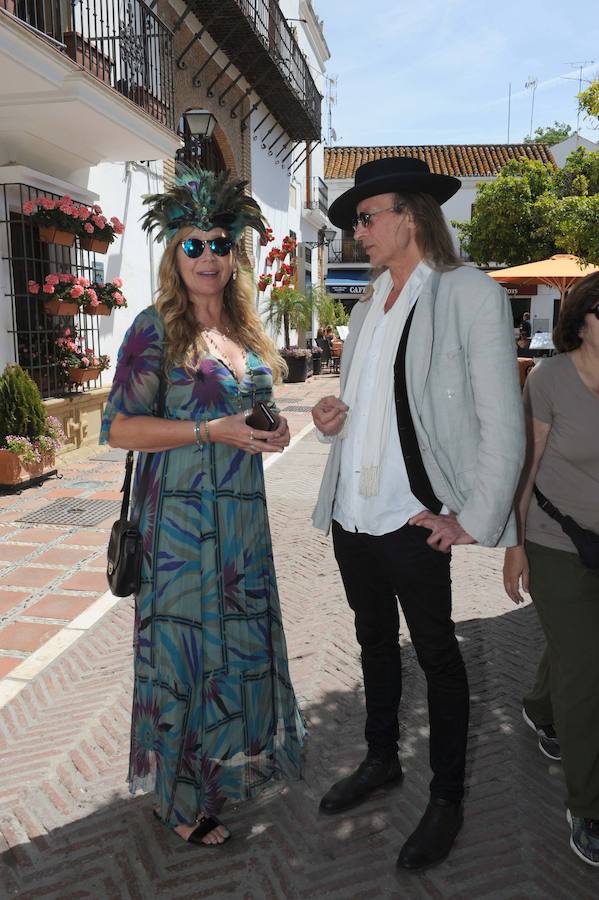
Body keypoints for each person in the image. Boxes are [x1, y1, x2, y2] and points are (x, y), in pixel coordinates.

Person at [311, 156, 524, 871]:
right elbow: (362, 407)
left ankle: (447, 798)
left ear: (410, 216)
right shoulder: (369, 302)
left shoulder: (467, 294)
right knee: (372, 641)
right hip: (353, 511)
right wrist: (329, 418)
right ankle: (380, 760)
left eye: (366, 218)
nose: (357, 232)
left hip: (413, 517)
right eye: (354, 222)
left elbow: (502, 421)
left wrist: (472, 516)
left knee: (437, 657)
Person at [101, 165, 305, 847]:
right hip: (181, 532)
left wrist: (273, 433)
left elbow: (255, 418)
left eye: (220, 243)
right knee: (185, 659)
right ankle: (179, 800)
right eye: (193, 244)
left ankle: (214, 774)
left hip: (241, 524)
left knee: (230, 655)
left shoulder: (245, 333)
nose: (209, 256)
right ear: (173, 254)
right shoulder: (153, 329)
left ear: (235, 254)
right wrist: (205, 431)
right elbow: (120, 430)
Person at [503, 272, 599, 867]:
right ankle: (586, 806)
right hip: (554, 538)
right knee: (588, 669)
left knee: (572, 650)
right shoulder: (551, 379)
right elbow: (525, 464)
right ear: (584, 317)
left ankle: (540, 707)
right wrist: (515, 543)